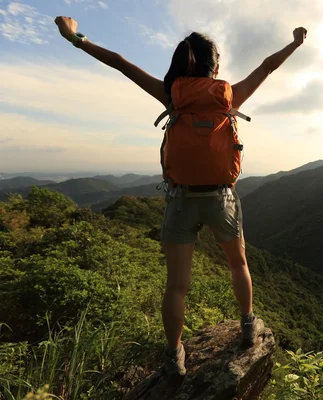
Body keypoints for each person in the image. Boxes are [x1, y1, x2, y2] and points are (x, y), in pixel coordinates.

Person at [54, 15, 307, 377]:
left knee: (177, 286)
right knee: (239, 264)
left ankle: (174, 356)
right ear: (214, 65)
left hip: (180, 199)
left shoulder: (172, 94)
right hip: (222, 198)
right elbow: (267, 66)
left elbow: (121, 63)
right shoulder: (228, 96)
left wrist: (74, 37)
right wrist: (295, 44)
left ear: (181, 62)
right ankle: (248, 324)